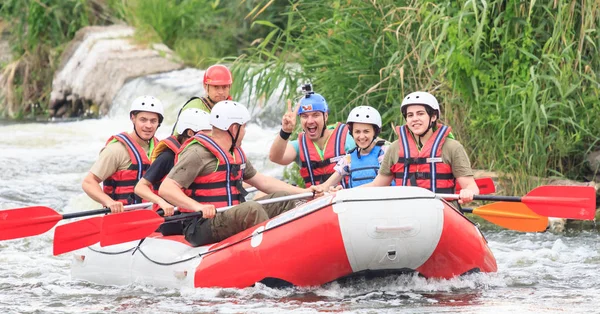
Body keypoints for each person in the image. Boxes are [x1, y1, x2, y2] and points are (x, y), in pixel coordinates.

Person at [159, 101, 320, 247]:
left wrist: (304, 193)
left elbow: (262, 182)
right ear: (233, 128)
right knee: (251, 209)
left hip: (229, 214)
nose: (245, 131)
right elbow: (167, 188)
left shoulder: (235, 153)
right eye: (243, 127)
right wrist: (198, 207)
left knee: (283, 199)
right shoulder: (197, 153)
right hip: (200, 225)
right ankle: (273, 253)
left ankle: (295, 244)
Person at [363, 91, 479, 204]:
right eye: (410, 115)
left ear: (433, 117)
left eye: (420, 113)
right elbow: (376, 185)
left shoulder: (452, 147)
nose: (415, 119)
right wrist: (347, 193)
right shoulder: (395, 148)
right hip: (406, 214)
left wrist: (468, 192)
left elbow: (471, 186)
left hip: (442, 212)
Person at [134, 108, 212, 235]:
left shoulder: (200, 156)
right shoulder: (167, 157)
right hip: (170, 216)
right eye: (207, 134)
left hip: (192, 212)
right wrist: (161, 202)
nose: (211, 139)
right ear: (191, 133)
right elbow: (140, 187)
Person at [82, 95, 164, 213]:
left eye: (153, 121)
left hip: (152, 218)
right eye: (143, 119)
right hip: (122, 218)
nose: (148, 125)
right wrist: (109, 202)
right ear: (133, 118)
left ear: (158, 123)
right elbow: (88, 182)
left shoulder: (161, 149)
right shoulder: (115, 150)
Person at [269, 90, 355, 188]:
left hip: (345, 198)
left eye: (315, 115)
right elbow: (275, 157)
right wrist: (285, 131)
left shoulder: (347, 137)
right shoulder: (299, 145)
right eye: (305, 116)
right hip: (317, 201)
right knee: (260, 195)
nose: (310, 121)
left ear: (325, 116)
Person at [316, 105, 391, 191]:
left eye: (366, 131)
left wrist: (346, 193)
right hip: (356, 203)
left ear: (375, 132)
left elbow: (379, 184)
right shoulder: (349, 158)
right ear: (352, 133)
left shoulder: (385, 152)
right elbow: (327, 185)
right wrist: (323, 190)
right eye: (357, 132)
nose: (361, 137)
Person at [171, 64, 233, 134]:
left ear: (230, 87)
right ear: (205, 86)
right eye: (216, 87)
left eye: (225, 87)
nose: (221, 92)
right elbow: (178, 138)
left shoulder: (230, 109)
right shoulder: (194, 107)